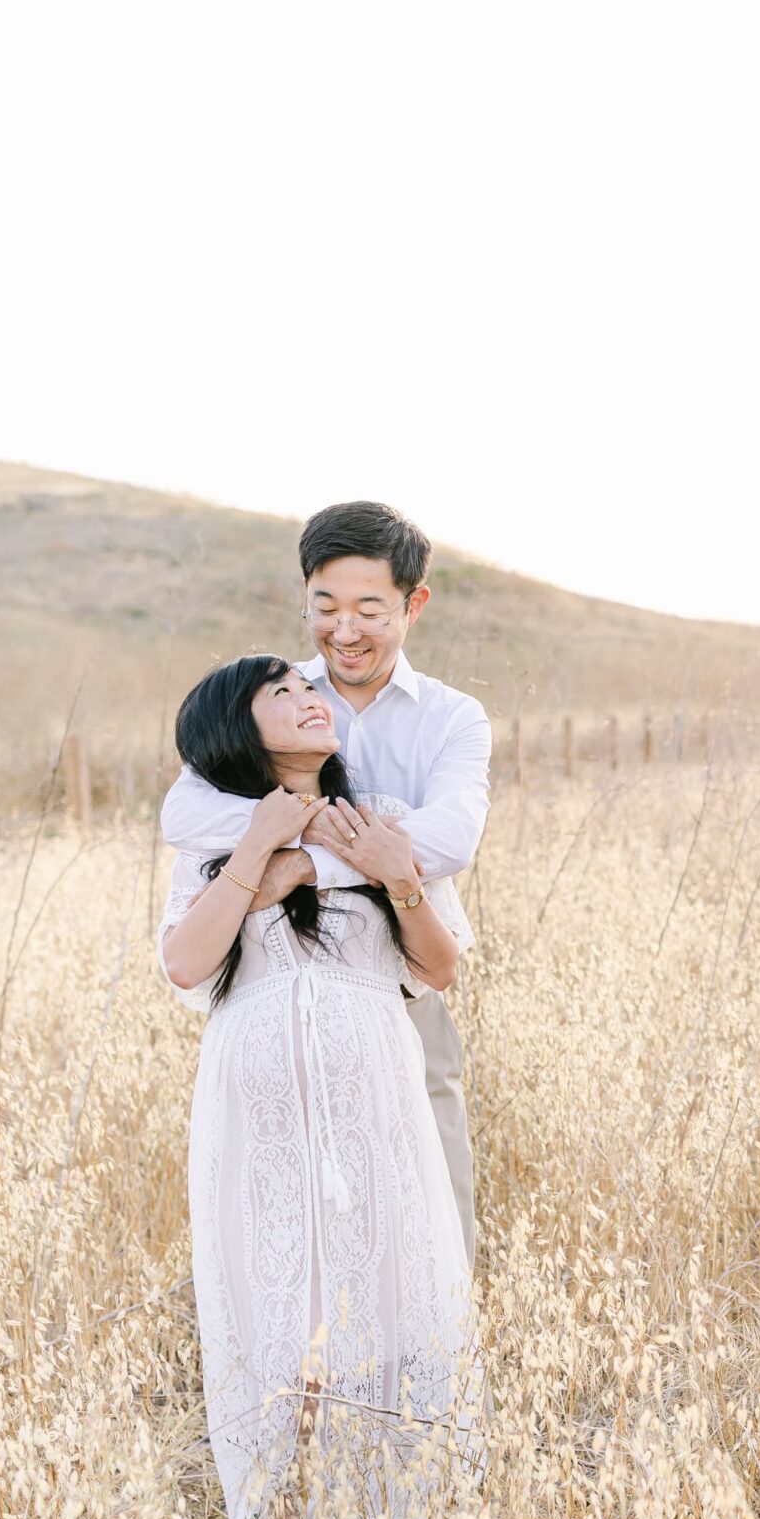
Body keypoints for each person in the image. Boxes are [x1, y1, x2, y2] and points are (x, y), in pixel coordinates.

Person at [158, 654, 486, 1519]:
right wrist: (260, 849)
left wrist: (398, 878)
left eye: (313, 691)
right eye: (284, 694)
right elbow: (185, 962)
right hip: (253, 1113)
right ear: (237, 726)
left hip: (373, 1102)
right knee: (278, 1307)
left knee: (385, 1294)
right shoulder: (215, 835)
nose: (312, 698)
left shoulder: (377, 820)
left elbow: (440, 967)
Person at [160, 501, 492, 1270]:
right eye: (325, 607)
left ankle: (426, 1373)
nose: (344, 631)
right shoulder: (266, 697)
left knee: (431, 1202)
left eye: (369, 609)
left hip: (397, 983)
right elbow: (186, 810)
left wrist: (314, 862)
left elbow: (449, 839)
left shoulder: (451, 717)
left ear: (413, 605)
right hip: (278, 995)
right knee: (283, 1220)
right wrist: (288, 828)